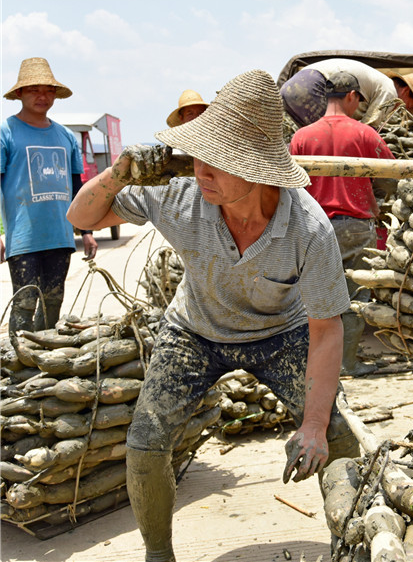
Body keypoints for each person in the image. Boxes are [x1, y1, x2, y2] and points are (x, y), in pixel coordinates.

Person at [67, 69, 360, 562]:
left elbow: (326, 329)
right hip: (194, 331)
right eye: (200, 154)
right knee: (146, 441)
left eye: (220, 161)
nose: (203, 170)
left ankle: (353, 540)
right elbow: (82, 218)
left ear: (259, 168)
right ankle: (158, 554)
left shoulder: (308, 228)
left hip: (280, 332)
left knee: (338, 431)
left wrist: (311, 424)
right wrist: (119, 172)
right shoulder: (179, 194)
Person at [290, 72, 396, 377]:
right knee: (354, 298)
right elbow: (389, 179)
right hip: (355, 226)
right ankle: (347, 363)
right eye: (358, 101)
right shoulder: (365, 134)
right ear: (351, 96)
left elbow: (288, 185)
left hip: (313, 227)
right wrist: (373, 195)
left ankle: (313, 362)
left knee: (313, 297)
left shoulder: (301, 137)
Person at [1, 57, 98, 334]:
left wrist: (86, 230)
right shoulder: (6, 132)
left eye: (49, 90)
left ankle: (43, 362)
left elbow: (78, 189)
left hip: (60, 235)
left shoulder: (66, 137)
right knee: (25, 303)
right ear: (19, 93)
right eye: (34, 90)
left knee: (53, 301)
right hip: (23, 239)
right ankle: (17, 366)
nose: (42, 96)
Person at [280, 58, 413, 129]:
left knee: (303, 141)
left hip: (293, 86)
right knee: (330, 142)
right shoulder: (390, 91)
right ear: (405, 91)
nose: (399, 111)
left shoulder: (376, 85)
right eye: (406, 106)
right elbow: (368, 127)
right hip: (312, 87)